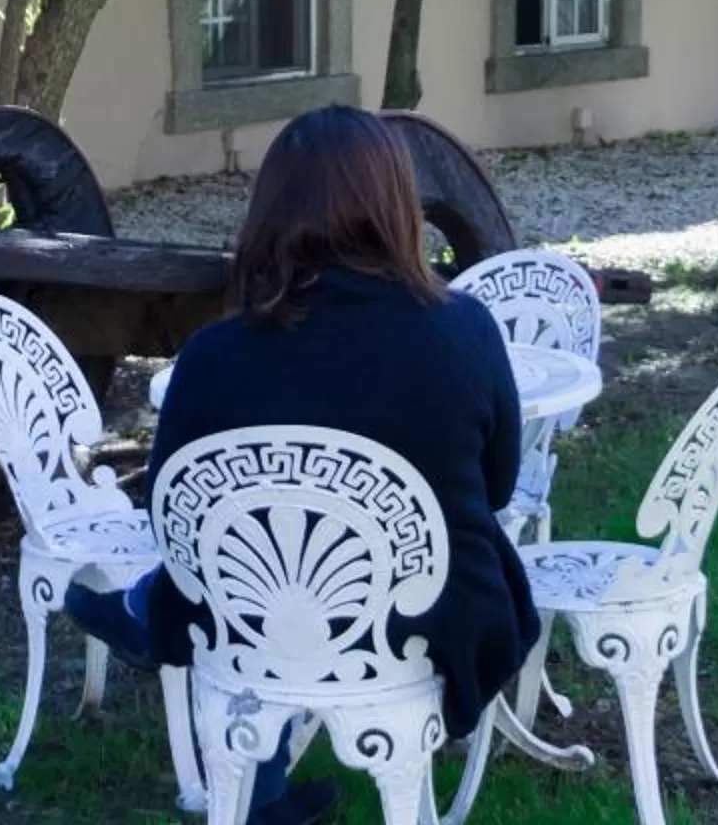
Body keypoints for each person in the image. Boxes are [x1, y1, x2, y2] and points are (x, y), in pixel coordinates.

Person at [66, 105, 536, 825]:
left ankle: (147, 619)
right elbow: (499, 487)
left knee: (252, 546)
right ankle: (259, 787)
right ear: (397, 204)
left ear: (271, 212)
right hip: (428, 620)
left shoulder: (212, 357)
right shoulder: (464, 330)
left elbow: (173, 515)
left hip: (256, 623)